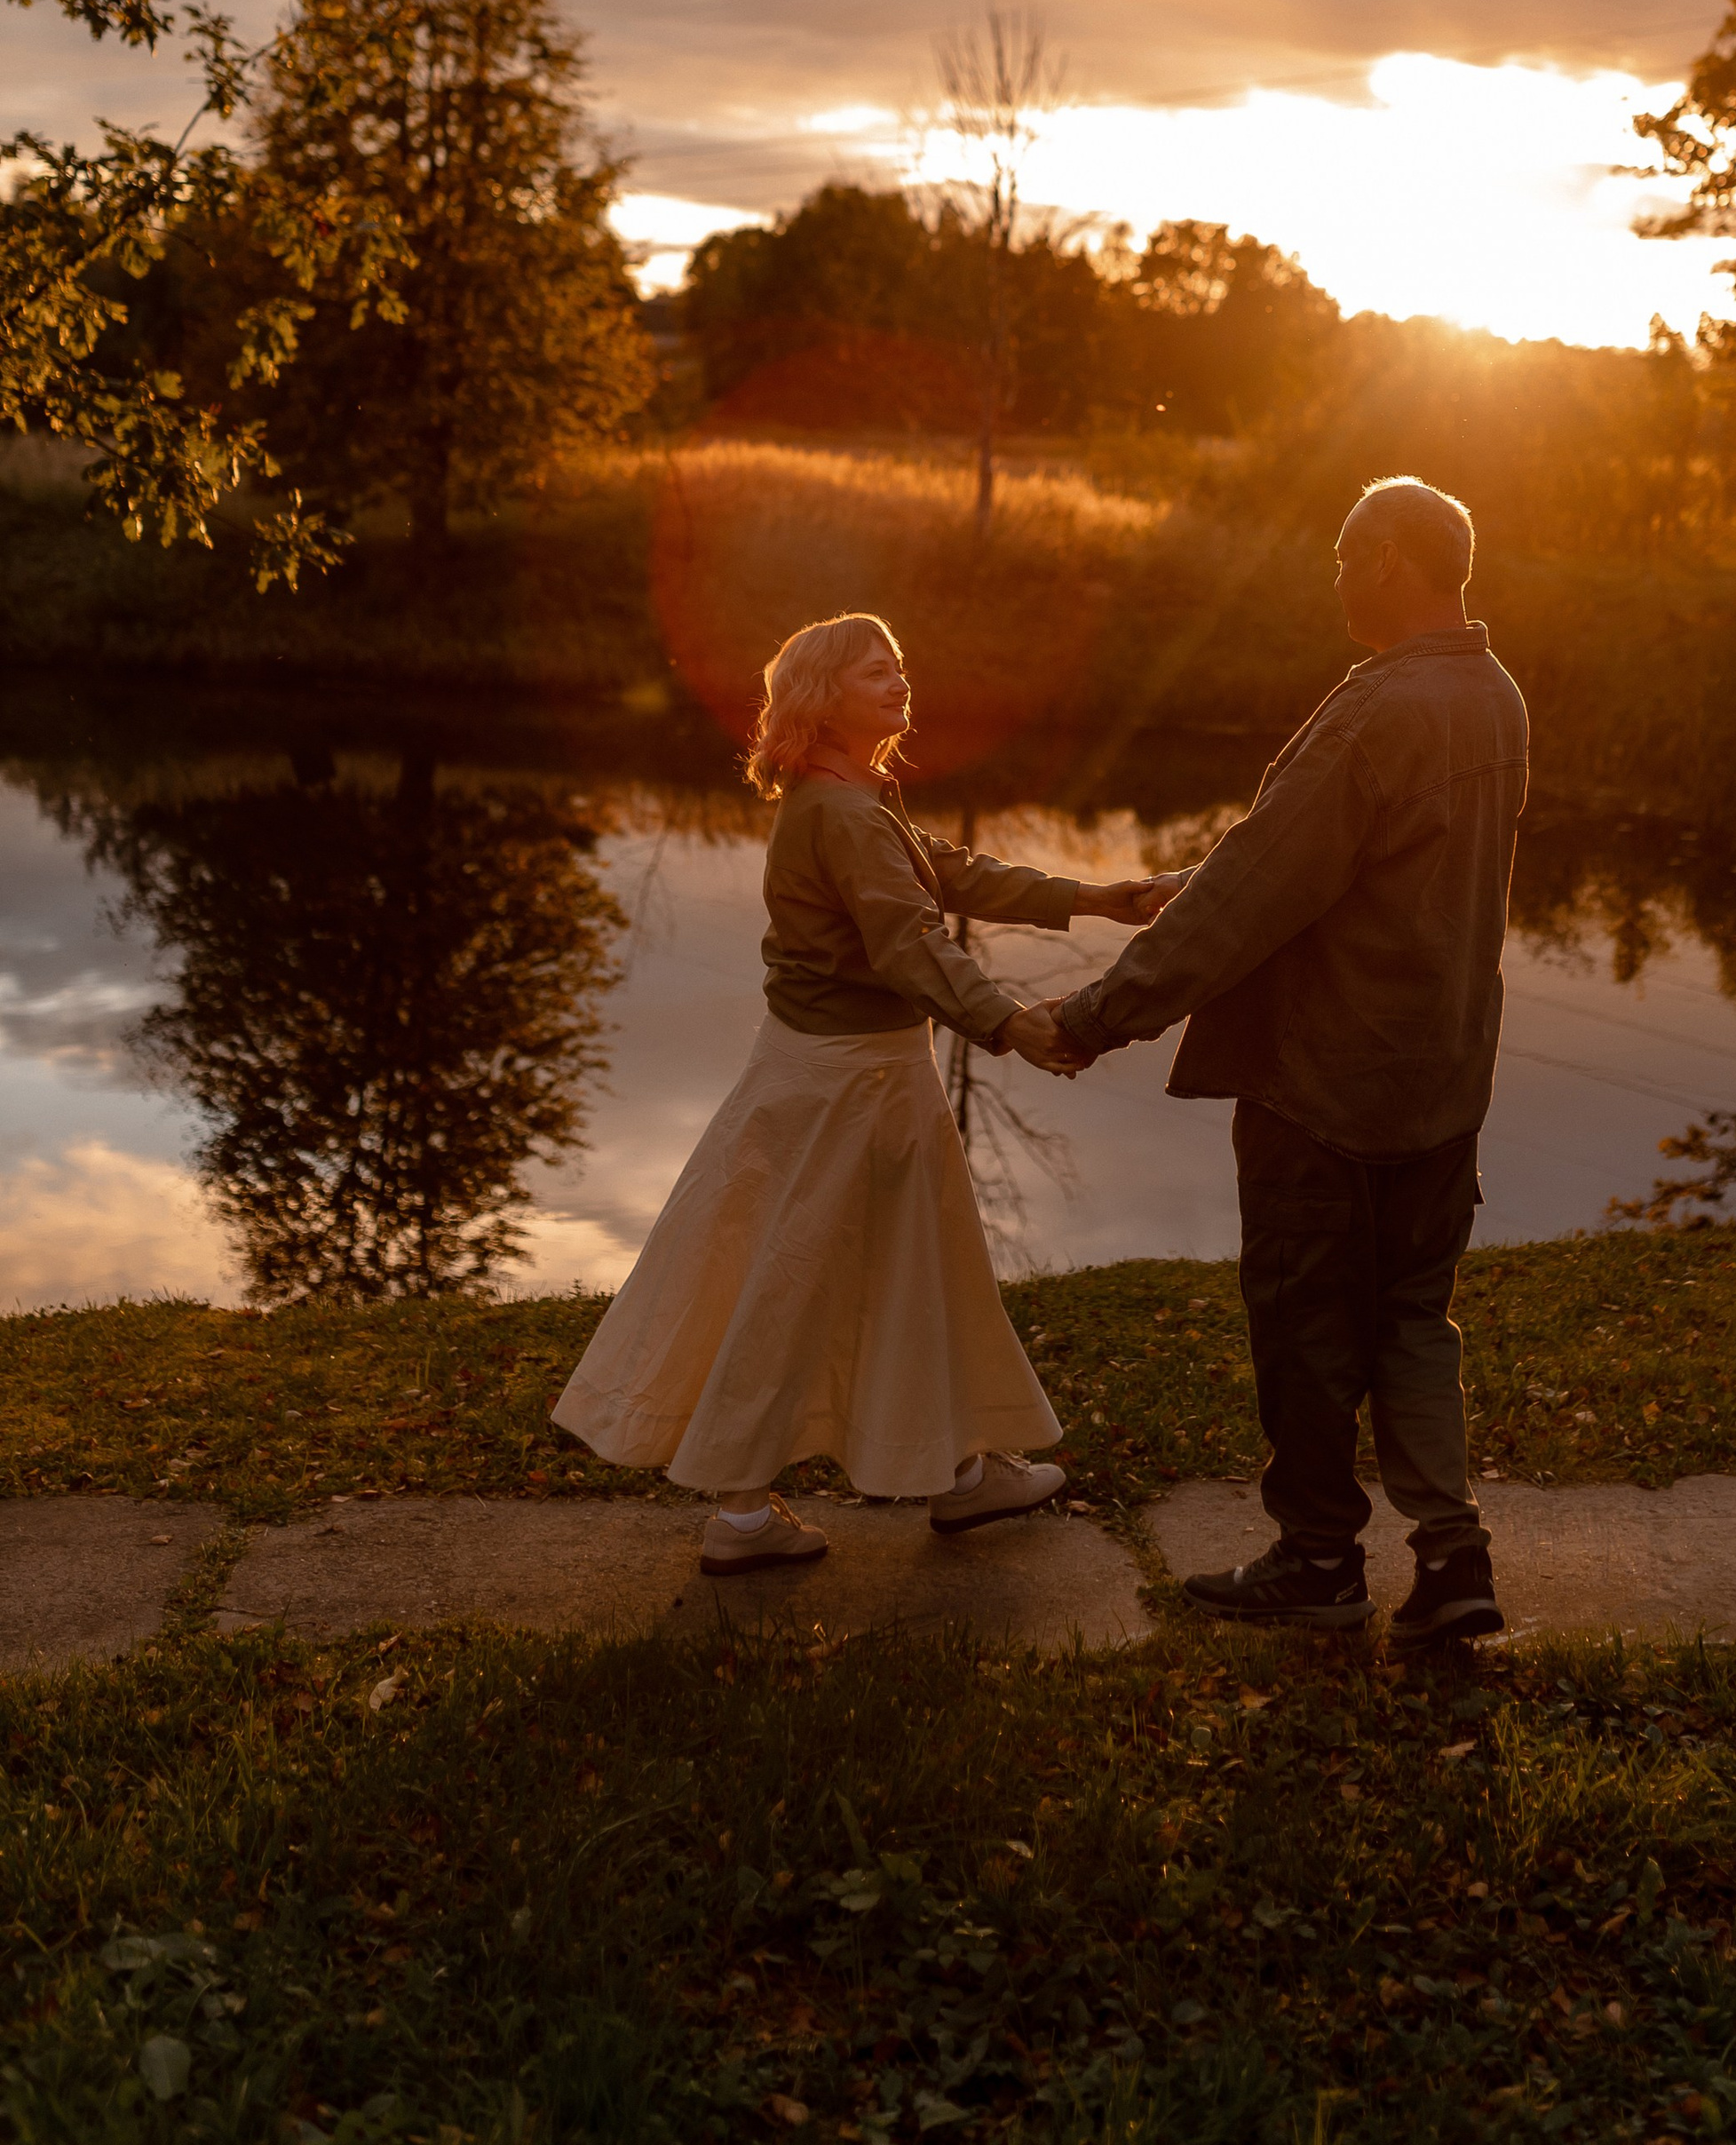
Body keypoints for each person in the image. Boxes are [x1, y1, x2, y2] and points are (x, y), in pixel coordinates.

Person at [551, 609, 1165, 1573]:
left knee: (909, 1267)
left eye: (898, 666)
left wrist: (1095, 898)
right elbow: (908, 942)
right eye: (875, 670)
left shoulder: (846, 798)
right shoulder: (840, 813)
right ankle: (746, 1514)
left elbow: (945, 874)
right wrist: (1010, 1023)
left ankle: (959, 1471)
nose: (899, 680)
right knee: (793, 1283)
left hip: (840, 1071)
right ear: (822, 697)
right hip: (849, 1081)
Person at [1037, 475, 1527, 1648]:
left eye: (1348, 552)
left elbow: (1257, 893)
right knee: (1414, 1318)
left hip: (1328, 1083)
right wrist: (1199, 877)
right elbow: (1311, 855)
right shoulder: (1494, 694)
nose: (1338, 574)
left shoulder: (1378, 710)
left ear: (1396, 558)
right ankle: (1452, 1557)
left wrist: (1098, 1014)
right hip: (1443, 1078)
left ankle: (1317, 1560)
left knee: (1307, 1326)